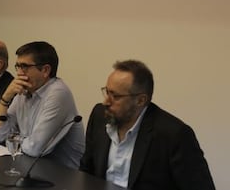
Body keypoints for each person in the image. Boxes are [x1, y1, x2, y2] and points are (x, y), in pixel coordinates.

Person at [79, 60, 215, 190]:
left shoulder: (174, 135)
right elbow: (86, 171)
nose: (106, 102)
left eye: (115, 96)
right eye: (107, 92)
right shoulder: (99, 116)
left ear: (140, 100)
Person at [0, 41, 85, 169]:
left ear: (45, 70)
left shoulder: (58, 93)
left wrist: (14, 139)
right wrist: (5, 98)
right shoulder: (24, 90)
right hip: (30, 167)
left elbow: (35, 149)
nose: (19, 73)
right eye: (18, 66)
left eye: (24, 66)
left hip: (62, 175)